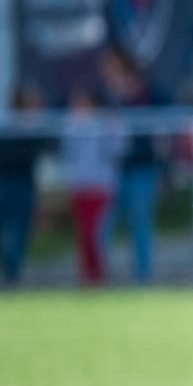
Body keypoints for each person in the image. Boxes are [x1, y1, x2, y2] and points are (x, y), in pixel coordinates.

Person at [98, 45, 165, 283]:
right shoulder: (110, 95)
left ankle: (142, 278)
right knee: (104, 225)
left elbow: (161, 130)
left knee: (141, 227)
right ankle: (99, 275)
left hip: (143, 169)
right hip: (117, 171)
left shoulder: (149, 94)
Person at [0, 84, 55, 287]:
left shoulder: (33, 129)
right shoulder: (3, 125)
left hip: (22, 184)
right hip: (3, 184)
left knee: (17, 232)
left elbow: (48, 148)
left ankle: (11, 276)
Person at [59, 84, 124, 287]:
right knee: (83, 235)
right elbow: (67, 151)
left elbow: (117, 150)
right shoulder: (71, 126)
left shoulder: (104, 125)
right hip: (80, 186)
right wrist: (74, 126)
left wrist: (113, 128)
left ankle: (99, 276)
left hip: (100, 187)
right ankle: (86, 277)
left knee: (96, 234)